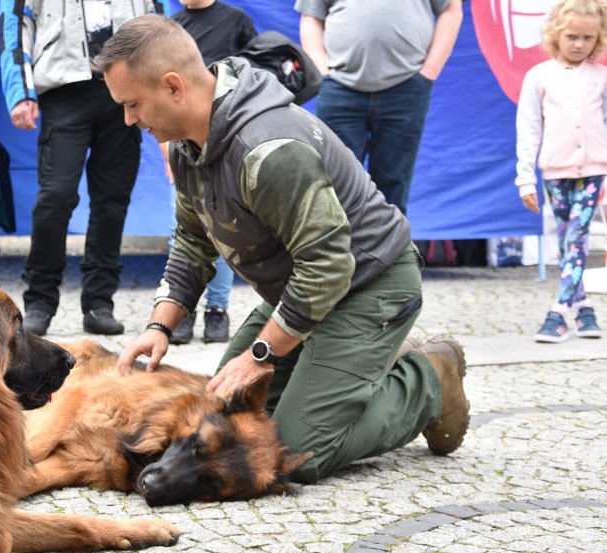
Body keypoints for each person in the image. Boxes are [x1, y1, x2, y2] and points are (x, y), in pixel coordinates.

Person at [95, 15, 470, 483]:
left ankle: (428, 378)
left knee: (291, 454)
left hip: (371, 288)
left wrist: (259, 353)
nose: (129, 120)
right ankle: (359, 364)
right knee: (228, 419)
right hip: (305, 296)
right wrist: (160, 325)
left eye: (133, 105)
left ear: (173, 86)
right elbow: (192, 241)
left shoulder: (268, 148)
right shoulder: (186, 146)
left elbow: (329, 265)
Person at [0, 0, 157, 337]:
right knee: (54, 197)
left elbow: (158, 22)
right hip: (63, 89)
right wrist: (20, 92)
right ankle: (39, 301)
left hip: (126, 88)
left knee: (112, 201)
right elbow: (13, 22)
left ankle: (100, 303)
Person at [293, 0, 463, 214]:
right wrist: (323, 71)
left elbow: (451, 8)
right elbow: (311, 16)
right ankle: (337, 247)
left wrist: (430, 70)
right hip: (340, 87)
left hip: (405, 86)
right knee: (335, 183)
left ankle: (391, 247)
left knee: (393, 185)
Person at [164, 0, 258, 345]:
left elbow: (252, 79)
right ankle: (181, 310)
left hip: (225, 143)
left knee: (222, 234)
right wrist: (167, 151)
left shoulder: (236, 21)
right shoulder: (170, 28)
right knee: (183, 234)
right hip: (180, 144)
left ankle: (217, 309)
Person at [515, 0, 607, 343]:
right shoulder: (538, 77)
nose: (579, 44)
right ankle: (585, 309)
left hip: (594, 170)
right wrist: (525, 178)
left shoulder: (602, 77)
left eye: (587, 38)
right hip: (554, 172)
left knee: (579, 237)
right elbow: (529, 130)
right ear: (556, 33)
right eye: (572, 36)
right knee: (569, 242)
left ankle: (558, 313)